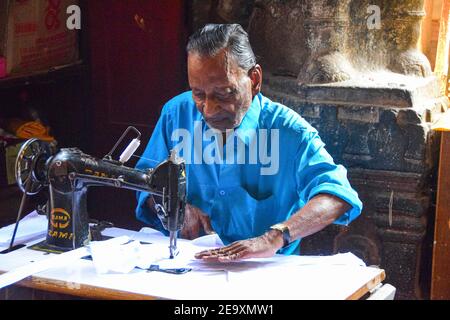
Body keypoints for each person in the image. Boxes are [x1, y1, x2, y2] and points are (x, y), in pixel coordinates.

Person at [135, 24, 362, 262]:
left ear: (254, 79)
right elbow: (144, 181)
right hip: (190, 261)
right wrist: (173, 205)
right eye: (199, 94)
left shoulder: (289, 131)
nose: (209, 110)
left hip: (264, 270)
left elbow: (337, 196)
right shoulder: (176, 114)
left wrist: (273, 238)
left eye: (224, 93)